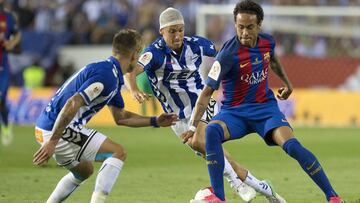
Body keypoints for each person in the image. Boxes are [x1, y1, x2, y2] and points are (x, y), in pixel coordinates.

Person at [181, 1, 344, 203]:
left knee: (292, 146)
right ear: (235, 25)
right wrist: (192, 125)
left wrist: (287, 83)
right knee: (212, 130)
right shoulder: (226, 55)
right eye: (240, 27)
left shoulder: (267, 43)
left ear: (259, 26)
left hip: (265, 110)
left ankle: (333, 196)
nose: (245, 32)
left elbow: (272, 60)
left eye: (250, 27)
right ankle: (219, 197)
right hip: (235, 113)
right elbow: (206, 94)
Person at [125, 7, 285, 203]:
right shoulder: (154, 53)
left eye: (180, 30)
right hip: (177, 118)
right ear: (162, 32)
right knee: (218, 157)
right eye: (172, 31)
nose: (177, 36)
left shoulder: (196, 45)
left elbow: (225, 52)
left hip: (202, 103)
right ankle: (266, 189)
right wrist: (133, 90)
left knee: (199, 142)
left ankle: (237, 185)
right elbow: (130, 71)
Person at [33, 29, 178, 203]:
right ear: (133, 55)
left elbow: (121, 117)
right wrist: (53, 142)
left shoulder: (112, 74)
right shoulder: (106, 75)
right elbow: (73, 103)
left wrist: (155, 121)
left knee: (84, 171)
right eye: (139, 53)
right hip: (57, 130)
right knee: (117, 152)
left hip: (45, 127)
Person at [0, 0, 21, 145]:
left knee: (1, 100)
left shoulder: (7, 17)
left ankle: (6, 126)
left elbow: (17, 34)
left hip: (2, 66)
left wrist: (10, 44)